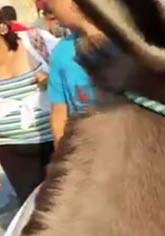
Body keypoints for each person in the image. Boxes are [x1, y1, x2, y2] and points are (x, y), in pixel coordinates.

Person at [0, 13, 56, 203]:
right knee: (36, 213)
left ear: (2, 28)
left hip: (59, 142)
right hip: (12, 153)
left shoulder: (37, 41)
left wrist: (52, 80)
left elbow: (76, 73)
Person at [47, 0, 102, 147]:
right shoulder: (61, 51)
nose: (49, 4)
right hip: (87, 150)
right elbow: (59, 112)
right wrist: (61, 151)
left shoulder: (126, 43)